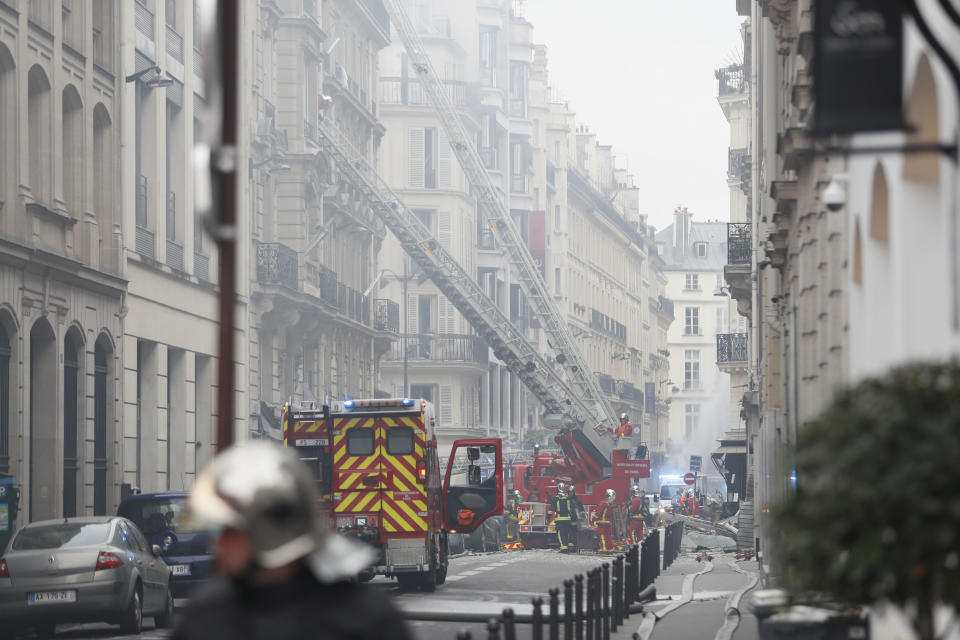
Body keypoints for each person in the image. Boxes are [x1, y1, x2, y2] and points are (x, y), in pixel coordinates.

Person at [171, 441, 411, 640]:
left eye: (231, 532)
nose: (218, 544)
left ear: (270, 533)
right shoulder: (208, 615)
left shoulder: (365, 620)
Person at [550, 482, 576, 553]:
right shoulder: (568, 498)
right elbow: (573, 508)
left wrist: (548, 518)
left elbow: (550, 510)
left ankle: (564, 548)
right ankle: (570, 547)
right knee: (567, 533)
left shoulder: (555, 498)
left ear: (558, 489)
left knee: (561, 534)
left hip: (559, 519)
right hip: (568, 519)